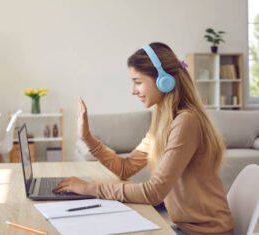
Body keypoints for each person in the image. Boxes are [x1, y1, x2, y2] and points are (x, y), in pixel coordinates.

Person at [53, 42, 234, 235]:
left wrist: (89, 188)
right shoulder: (163, 121)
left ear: (163, 80)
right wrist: (87, 137)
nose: (133, 90)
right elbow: (126, 168)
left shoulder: (186, 121)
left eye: (138, 82)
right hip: (184, 228)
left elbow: (154, 192)